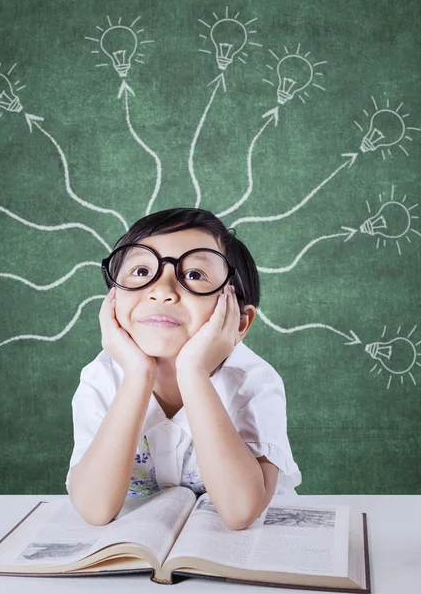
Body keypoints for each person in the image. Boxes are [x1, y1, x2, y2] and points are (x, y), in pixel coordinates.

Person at [66, 207, 301, 530]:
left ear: (240, 321)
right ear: (112, 300)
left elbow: (241, 512)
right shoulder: (101, 379)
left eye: (193, 275)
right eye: (140, 271)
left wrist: (193, 373)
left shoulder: (254, 383)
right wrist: (137, 375)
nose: (161, 291)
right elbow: (94, 509)